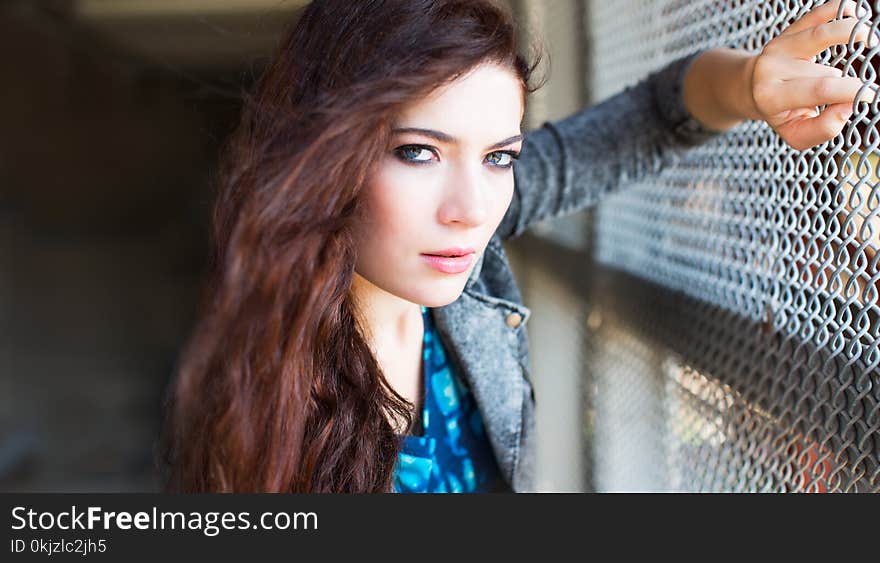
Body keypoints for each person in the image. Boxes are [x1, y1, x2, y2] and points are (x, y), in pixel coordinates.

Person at [157, 0, 875, 493]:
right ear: (326, 153)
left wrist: (751, 83)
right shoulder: (259, 398)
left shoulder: (450, 247)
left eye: (500, 156)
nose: (471, 210)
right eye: (416, 151)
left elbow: (659, 112)